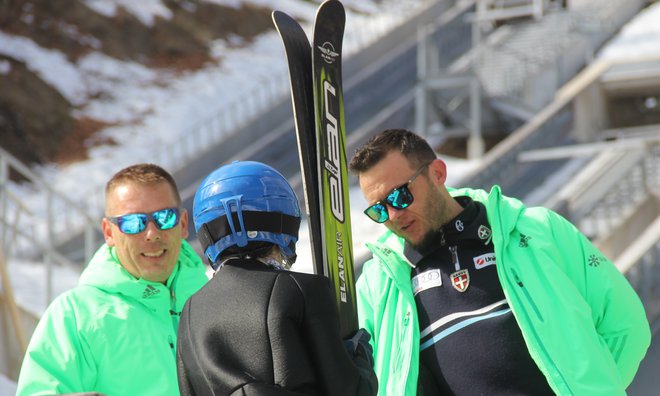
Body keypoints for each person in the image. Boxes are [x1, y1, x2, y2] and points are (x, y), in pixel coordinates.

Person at [348, 129, 651, 395]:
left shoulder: (538, 231)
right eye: (379, 210)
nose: (394, 215)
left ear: (438, 173)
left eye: (400, 196)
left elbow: (625, 326)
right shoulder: (379, 283)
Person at [176, 160, 377, 395]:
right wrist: (360, 355)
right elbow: (351, 391)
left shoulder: (190, 313)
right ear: (284, 220)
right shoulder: (302, 290)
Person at [16, 163, 208, 396]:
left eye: (164, 217)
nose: (151, 233)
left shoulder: (215, 301)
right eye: (133, 223)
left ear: (184, 223)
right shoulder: (75, 315)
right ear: (109, 232)